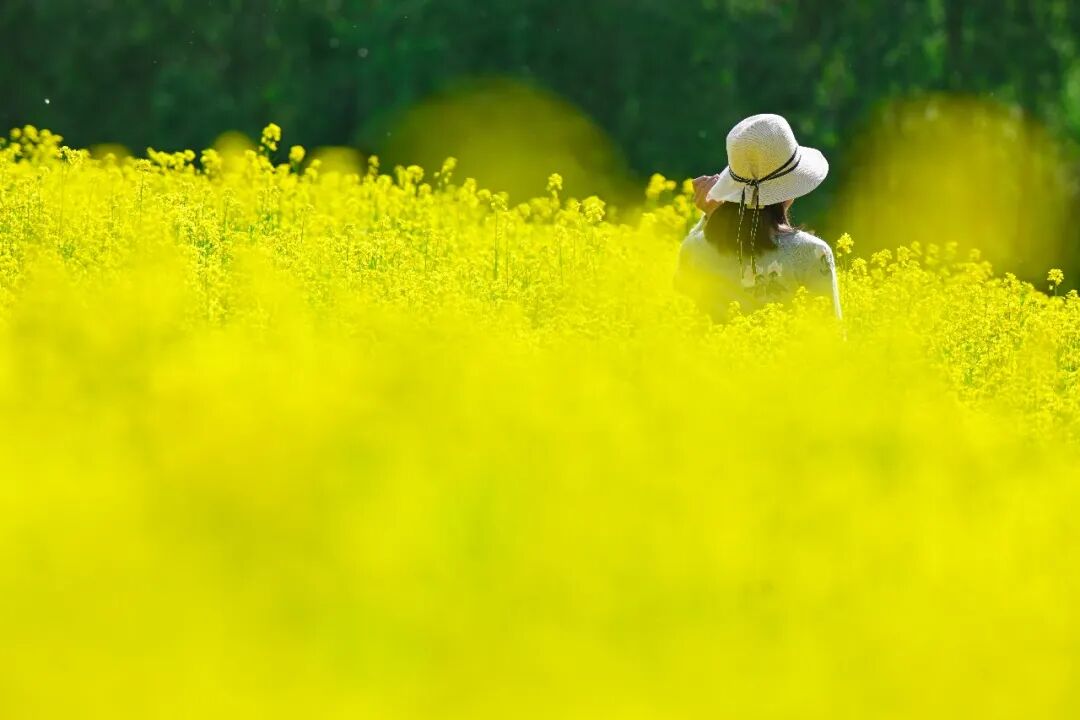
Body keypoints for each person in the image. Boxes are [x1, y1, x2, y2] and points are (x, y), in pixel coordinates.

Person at [674, 114, 841, 320]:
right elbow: (830, 334)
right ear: (788, 188)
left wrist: (709, 217)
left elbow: (682, 319)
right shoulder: (812, 253)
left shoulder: (695, 249)